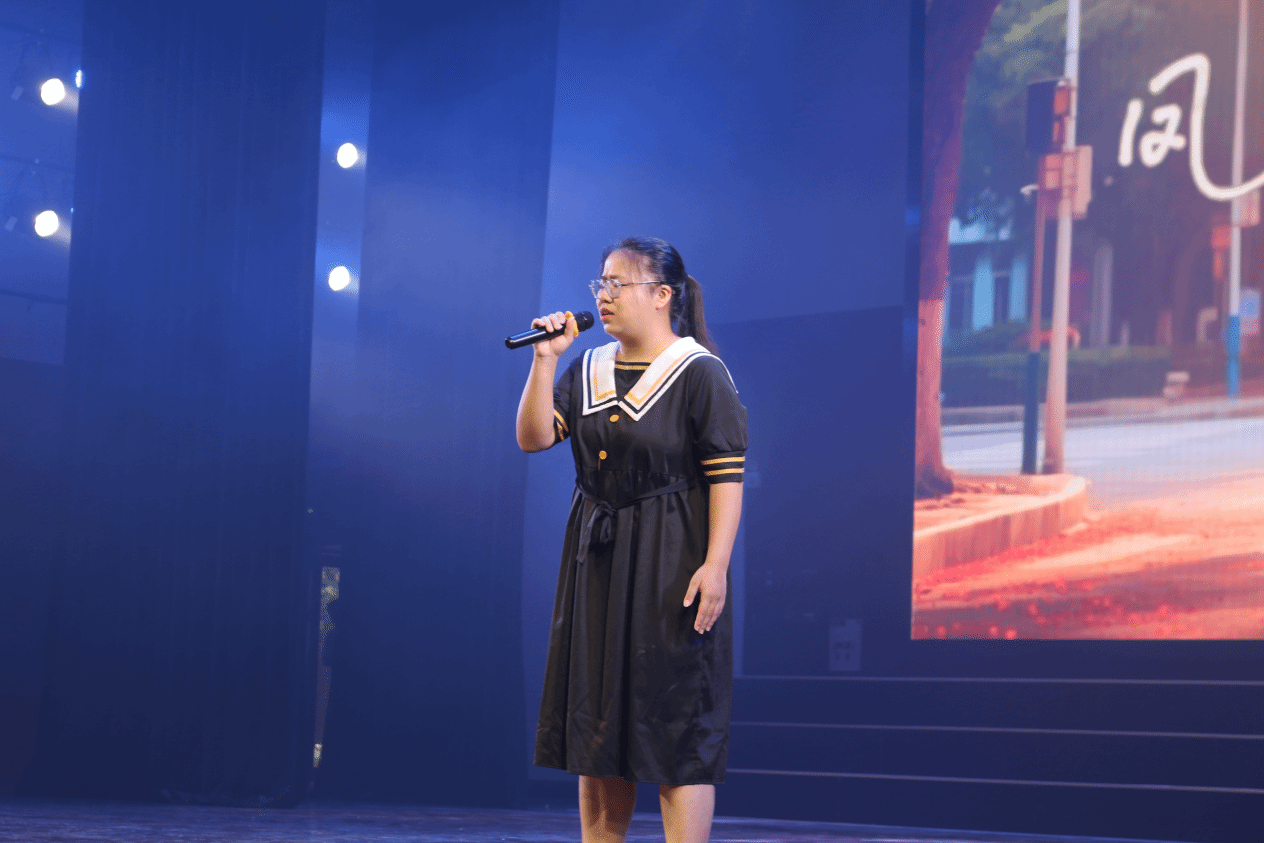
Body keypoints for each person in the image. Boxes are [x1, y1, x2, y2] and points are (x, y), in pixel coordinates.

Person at [516, 237, 747, 843]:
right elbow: (534, 438)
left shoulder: (697, 372)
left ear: (663, 294)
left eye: (619, 284)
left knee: (676, 723)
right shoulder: (587, 367)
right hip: (596, 560)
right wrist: (545, 360)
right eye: (601, 283)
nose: (605, 295)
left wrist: (716, 565)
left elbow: (726, 476)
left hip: (672, 560)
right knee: (598, 725)